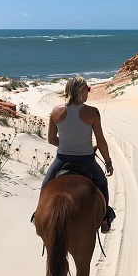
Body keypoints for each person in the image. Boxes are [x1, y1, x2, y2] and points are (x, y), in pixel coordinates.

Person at [41, 76, 115, 233]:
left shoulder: (56, 111)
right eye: (87, 89)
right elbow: (100, 141)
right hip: (87, 160)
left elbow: (51, 139)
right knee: (102, 184)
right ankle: (105, 219)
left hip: (62, 159)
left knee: (46, 185)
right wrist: (108, 162)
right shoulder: (92, 112)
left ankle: (38, 216)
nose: (88, 92)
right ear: (81, 91)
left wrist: (69, 146)